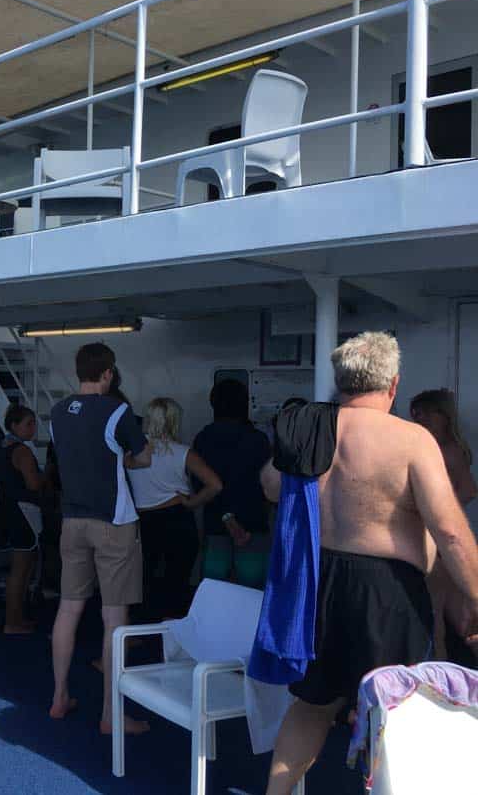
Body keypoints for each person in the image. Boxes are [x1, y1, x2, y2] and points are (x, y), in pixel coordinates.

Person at [261, 332, 478, 794]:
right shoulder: (412, 440)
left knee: (311, 705)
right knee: (395, 712)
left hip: (319, 581)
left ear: (341, 381)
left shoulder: (310, 430)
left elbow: (271, 487)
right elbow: (451, 531)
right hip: (388, 592)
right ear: (393, 384)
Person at [48, 342, 152, 736]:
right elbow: (142, 457)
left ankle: (59, 695)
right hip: (114, 521)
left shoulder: (58, 413)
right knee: (114, 618)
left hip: (72, 519)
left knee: (68, 608)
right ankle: (111, 714)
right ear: (108, 373)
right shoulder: (118, 410)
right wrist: (121, 459)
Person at [128, 397, 222, 620]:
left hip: (144, 522)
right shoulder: (183, 452)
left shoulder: (131, 453)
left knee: (143, 581)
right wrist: (192, 502)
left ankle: (138, 634)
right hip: (177, 518)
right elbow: (215, 485)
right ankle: (172, 640)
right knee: (176, 583)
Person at [411, 388, 478, 666]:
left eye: (426, 413)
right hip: (434, 538)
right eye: (416, 413)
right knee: (451, 613)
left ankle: (438, 669)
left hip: (438, 541)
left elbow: (469, 490)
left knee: (439, 611)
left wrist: (436, 513)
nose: (419, 419)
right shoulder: (431, 447)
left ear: (443, 416)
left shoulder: (448, 450)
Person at [193, 379, 272, 588]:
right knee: (252, 590)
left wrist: (226, 515)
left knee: (213, 587)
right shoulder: (258, 439)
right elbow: (269, 483)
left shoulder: (204, 438)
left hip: (216, 521)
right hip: (252, 522)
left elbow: (197, 483)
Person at [0, 403, 48, 634]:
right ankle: (13, 621)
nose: (34, 427)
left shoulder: (3, 446)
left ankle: (16, 617)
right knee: (21, 568)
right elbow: (33, 483)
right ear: (15, 425)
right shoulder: (22, 451)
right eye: (29, 423)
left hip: (8, 507)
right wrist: (49, 474)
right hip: (24, 511)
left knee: (21, 567)